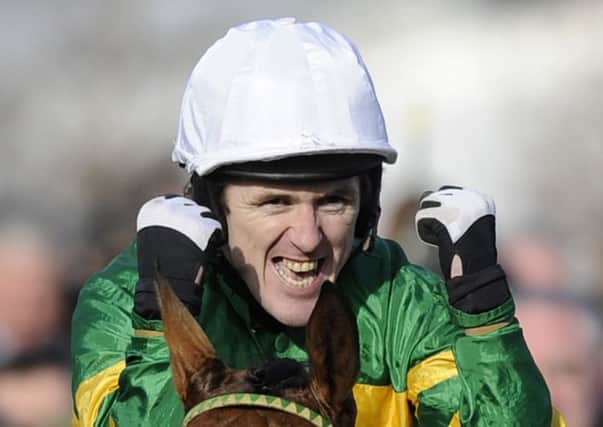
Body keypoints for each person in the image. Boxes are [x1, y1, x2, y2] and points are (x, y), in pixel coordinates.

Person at [71, 18, 560, 426]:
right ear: (210, 210)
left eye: (333, 202)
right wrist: (161, 325)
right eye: (274, 203)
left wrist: (486, 324)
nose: (307, 238)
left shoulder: (405, 302)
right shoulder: (121, 300)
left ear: (368, 207)